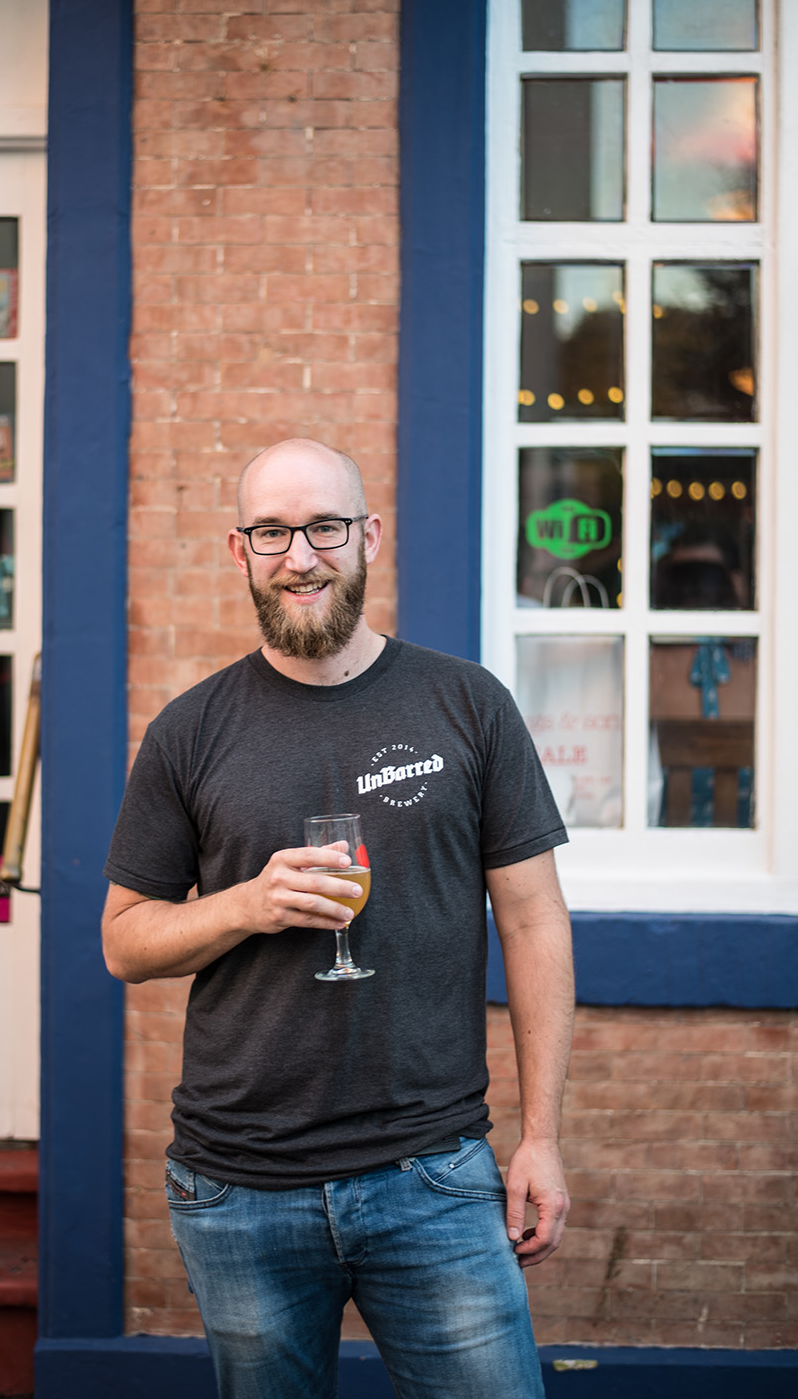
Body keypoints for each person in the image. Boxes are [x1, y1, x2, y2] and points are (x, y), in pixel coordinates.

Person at [102, 438, 574, 1399]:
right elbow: (124, 940)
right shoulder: (189, 731)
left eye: (324, 527)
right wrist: (246, 903)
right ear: (240, 551)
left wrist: (542, 1135)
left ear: (369, 538)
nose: (300, 555)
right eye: (271, 531)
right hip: (236, 1188)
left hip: (434, 1178)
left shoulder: (468, 704)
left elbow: (533, 923)